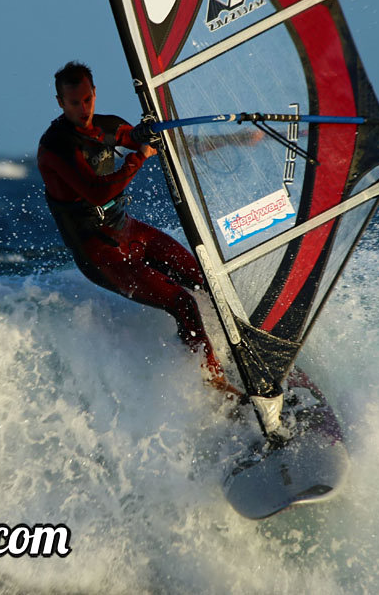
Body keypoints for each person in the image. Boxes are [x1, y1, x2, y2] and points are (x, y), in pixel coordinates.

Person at [37, 61, 242, 399]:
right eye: (74, 103)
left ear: (94, 94)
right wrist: (138, 157)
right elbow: (99, 191)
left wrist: (146, 135)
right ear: (60, 102)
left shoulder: (104, 124)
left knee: (208, 282)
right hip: (99, 253)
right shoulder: (57, 147)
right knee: (183, 303)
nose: (83, 109)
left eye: (87, 99)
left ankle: (242, 351)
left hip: (128, 231)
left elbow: (132, 136)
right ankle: (215, 386)